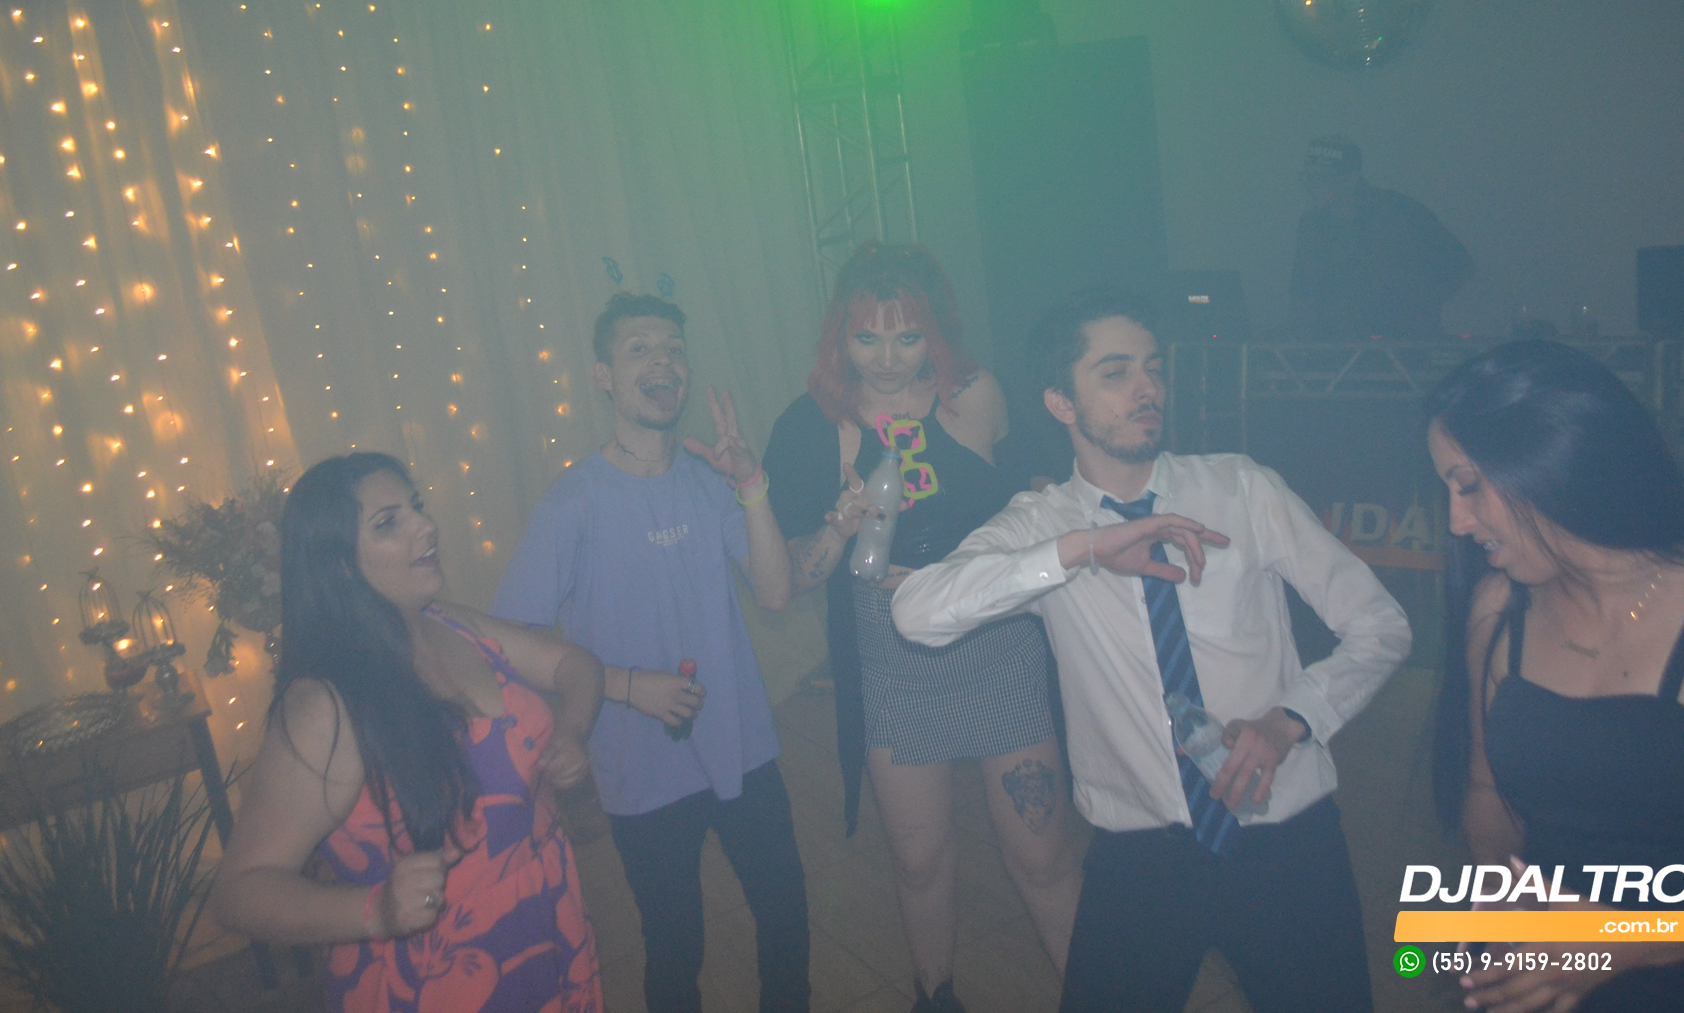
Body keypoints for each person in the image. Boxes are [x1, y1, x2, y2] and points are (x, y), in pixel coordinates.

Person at [892, 293, 1412, 1013]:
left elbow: (1381, 625)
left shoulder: (1240, 487)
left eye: (1153, 368)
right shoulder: (1044, 525)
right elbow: (915, 613)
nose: (1148, 389)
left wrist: (1291, 718)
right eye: (1115, 373)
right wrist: (1083, 550)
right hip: (1141, 854)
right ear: (1060, 403)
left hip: (1287, 836)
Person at [762, 244, 1081, 1012]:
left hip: (996, 637)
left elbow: (1044, 491)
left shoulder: (976, 395)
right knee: (919, 860)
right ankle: (935, 997)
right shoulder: (811, 425)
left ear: (934, 333)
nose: (886, 358)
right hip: (891, 654)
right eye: (866, 337)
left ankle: (1102, 992)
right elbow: (792, 576)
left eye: (907, 336)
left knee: (1042, 855)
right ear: (839, 337)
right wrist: (840, 527)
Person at [489, 292, 808, 1013]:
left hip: (743, 744)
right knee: (675, 945)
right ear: (603, 376)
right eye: (639, 349)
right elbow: (509, 639)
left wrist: (751, 484)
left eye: (673, 349)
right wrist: (629, 685)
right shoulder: (572, 503)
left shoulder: (708, 480)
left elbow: (775, 592)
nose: (662, 362)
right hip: (641, 768)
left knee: (785, 916)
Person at [211, 452, 605, 1012]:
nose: (426, 525)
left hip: (547, 921)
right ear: (340, 565)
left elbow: (574, 664)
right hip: (437, 977)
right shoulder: (325, 705)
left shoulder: (451, 623)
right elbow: (239, 892)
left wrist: (573, 729)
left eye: (416, 507)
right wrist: (376, 911)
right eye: (388, 522)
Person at [1427, 340, 1684, 1011]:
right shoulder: (1498, 608)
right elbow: (1489, 802)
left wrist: (1631, 939)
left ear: (1555, 458)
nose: (1456, 521)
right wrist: (1501, 908)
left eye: (1469, 485)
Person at [1289, 135, 1472, 340]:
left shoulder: (1400, 212)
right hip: (1337, 346)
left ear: (1352, 179)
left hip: (1403, 345)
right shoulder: (1311, 224)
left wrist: (1418, 307)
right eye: (1307, 177)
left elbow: (1459, 264)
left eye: (1322, 178)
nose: (1311, 185)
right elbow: (1301, 290)